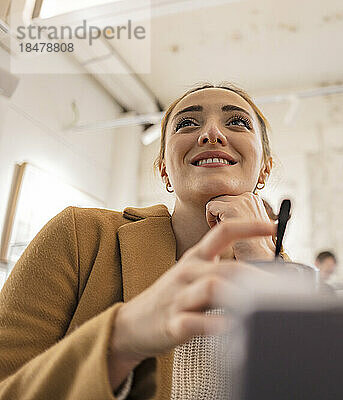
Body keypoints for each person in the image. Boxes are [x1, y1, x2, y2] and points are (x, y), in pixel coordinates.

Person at [0, 83, 286, 399]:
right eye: (187, 124)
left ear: (265, 168)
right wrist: (118, 341)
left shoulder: (290, 280)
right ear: (164, 169)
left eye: (237, 122)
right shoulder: (80, 235)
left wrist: (267, 264)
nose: (211, 134)